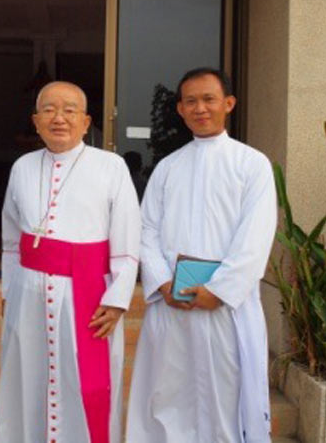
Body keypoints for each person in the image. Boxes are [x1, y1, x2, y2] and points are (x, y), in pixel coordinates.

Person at [126, 68, 277, 443]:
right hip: (172, 305)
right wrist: (163, 281)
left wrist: (221, 290)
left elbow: (255, 236)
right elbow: (147, 230)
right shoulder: (167, 167)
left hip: (225, 309)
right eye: (190, 101)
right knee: (167, 400)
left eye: (209, 99)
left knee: (225, 400)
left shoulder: (252, 164)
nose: (200, 108)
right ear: (179, 109)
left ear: (228, 103)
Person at [0, 81, 141, 443]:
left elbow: (127, 242)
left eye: (69, 110)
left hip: (89, 294)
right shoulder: (23, 167)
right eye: (49, 109)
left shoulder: (112, 166)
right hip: (27, 294)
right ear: (35, 120)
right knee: (27, 377)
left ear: (87, 120)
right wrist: (8, 291)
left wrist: (117, 299)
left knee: (86, 384)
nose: (59, 118)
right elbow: (12, 242)